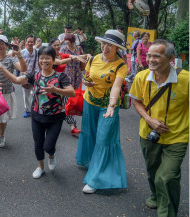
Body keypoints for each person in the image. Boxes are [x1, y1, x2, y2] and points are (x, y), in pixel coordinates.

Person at [0, 46, 75, 178]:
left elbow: (72, 92)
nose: (44, 61)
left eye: (47, 58)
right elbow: (16, 80)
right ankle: (40, 166)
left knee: (48, 145)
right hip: (37, 116)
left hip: (55, 117)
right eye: (41, 58)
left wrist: (56, 90)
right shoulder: (34, 75)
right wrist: (1, 68)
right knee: (38, 143)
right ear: (38, 59)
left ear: (53, 60)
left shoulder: (60, 76)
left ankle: (51, 155)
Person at [129, 39, 188, 217]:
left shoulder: (186, 79)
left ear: (171, 58)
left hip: (177, 136)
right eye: (148, 55)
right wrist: (149, 119)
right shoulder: (141, 77)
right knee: (153, 171)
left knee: (167, 176)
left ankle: (167, 213)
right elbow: (136, 101)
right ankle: (155, 195)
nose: (150, 59)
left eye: (157, 55)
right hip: (148, 134)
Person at [75, 29, 128, 194]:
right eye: (104, 43)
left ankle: (96, 179)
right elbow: (87, 76)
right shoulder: (95, 58)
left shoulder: (121, 65)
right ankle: (89, 161)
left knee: (104, 140)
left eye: (110, 45)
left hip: (108, 107)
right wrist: (86, 81)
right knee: (89, 133)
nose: (105, 47)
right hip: (90, 102)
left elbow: (117, 87)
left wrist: (112, 105)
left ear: (117, 48)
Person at [50, 38, 87, 136]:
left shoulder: (62, 55)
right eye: (55, 45)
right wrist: (73, 58)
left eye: (58, 45)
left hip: (63, 83)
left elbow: (74, 56)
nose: (57, 47)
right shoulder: (49, 57)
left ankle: (72, 127)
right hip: (51, 83)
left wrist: (88, 56)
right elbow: (59, 62)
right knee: (54, 105)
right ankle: (49, 123)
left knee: (66, 103)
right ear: (50, 47)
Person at [21, 35, 38, 118]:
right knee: (26, 94)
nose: (30, 43)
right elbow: (19, 64)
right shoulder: (22, 52)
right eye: (28, 42)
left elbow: (38, 63)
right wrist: (23, 73)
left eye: (32, 41)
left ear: (34, 42)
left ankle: (34, 109)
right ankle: (27, 110)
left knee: (35, 93)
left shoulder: (37, 51)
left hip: (35, 75)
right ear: (26, 43)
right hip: (25, 75)